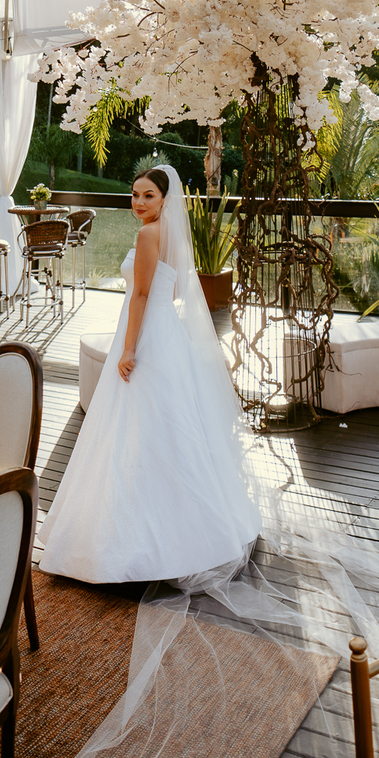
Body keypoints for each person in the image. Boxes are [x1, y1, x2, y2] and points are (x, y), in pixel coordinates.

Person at [38, 163, 262, 585]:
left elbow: (140, 293)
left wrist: (127, 348)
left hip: (142, 336)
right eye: (135, 194)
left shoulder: (147, 234)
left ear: (165, 200)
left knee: (135, 424)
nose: (138, 203)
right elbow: (173, 288)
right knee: (168, 426)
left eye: (148, 196)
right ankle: (190, 523)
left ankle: (132, 532)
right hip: (166, 332)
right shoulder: (172, 233)